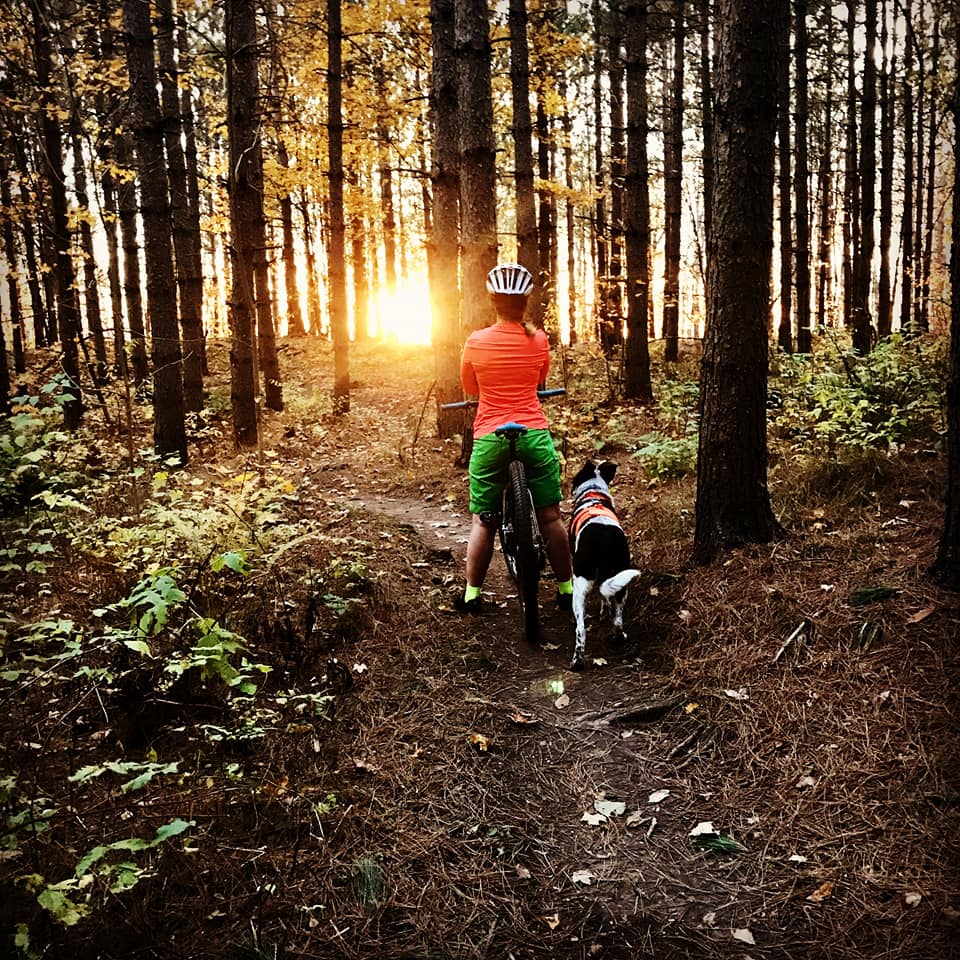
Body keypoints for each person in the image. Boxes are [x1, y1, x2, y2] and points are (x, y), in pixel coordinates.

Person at [455, 263, 574, 616]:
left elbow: (469, 388)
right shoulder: (537, 339)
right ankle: (566, 590)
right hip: (533, 434)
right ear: (525, 302)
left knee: (483, 521)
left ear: (493, 302)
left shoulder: (476, 341)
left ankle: (472, 596)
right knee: (550, 517)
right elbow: (540, 380)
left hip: (491, 437)